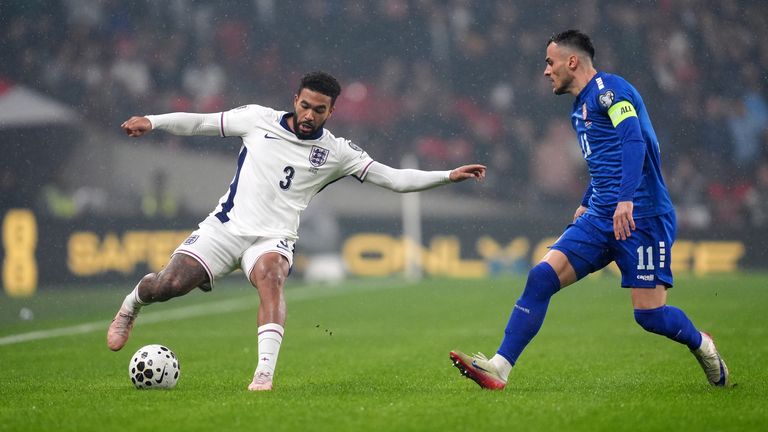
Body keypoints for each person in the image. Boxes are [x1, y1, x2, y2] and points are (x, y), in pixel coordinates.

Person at [108, 71, 487, 391]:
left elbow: (394, 179)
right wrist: (153, 121)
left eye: (319, 110)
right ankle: (130, 307)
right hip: (225, 228)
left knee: (271, 277)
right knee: (168, 285)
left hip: (273, 238)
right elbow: (200, 123)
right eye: (305, 105)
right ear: (295, 100)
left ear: (331, 112)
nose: (309, 115)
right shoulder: (257, 119)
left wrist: (447, 175)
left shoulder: (338, 152)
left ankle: (263, 374)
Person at [449, 30, 729, 390]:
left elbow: (633, 140)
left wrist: (626, 199)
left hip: (641, 217)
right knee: (541, 278)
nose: (546, 71)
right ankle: (499, 367)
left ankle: (702, 344)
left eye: (549, 62)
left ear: (571, 61)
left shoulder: (611, 91)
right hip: (599, 217)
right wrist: (587, 200)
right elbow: (603, 163)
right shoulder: (578, 110)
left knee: (650, 316)